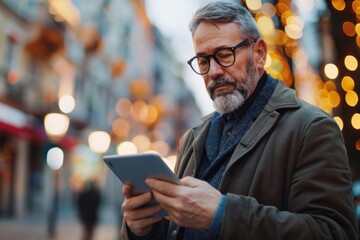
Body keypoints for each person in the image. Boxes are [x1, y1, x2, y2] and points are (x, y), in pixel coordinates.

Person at [121, 2, 358, 239]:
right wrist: (143, 229)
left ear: (259, 53)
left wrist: (223, 214)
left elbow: (334, 232)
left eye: (224, 55)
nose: (213, 71)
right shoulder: (193, 138)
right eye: (203, 61)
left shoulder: (312, 128)